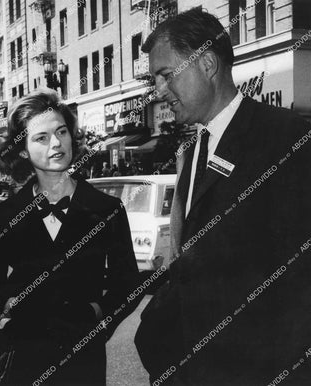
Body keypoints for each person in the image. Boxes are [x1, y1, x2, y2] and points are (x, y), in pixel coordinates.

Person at [134, 8, 311, 386]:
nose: (159, 90)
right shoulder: (190, 152)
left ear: (208, 64)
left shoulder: (286, 139)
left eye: (166, 75)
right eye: (155, 79)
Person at [0, 89, 140, 385]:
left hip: (83, 362)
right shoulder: (6, 216)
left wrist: (98, 317)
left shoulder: (106, 209)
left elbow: (126, 284)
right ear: (22, 149)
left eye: (61, 132)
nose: (56, 144)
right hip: (20, 360)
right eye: (41, 137)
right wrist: (4, 315)